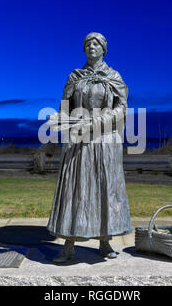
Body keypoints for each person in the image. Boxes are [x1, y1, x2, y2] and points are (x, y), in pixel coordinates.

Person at [47, 32, 132, 263]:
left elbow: (122, 109)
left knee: (105, 189)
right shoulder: (75, 76)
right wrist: (65, 122)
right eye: (87, 44)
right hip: (79, 140)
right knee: (77, 190)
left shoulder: (113, 76)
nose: (91, 47)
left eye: (96, 44)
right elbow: (65, 106)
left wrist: (95, 121)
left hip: (105, 141)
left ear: (104, 49)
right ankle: (69, 244)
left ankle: (105, 240)